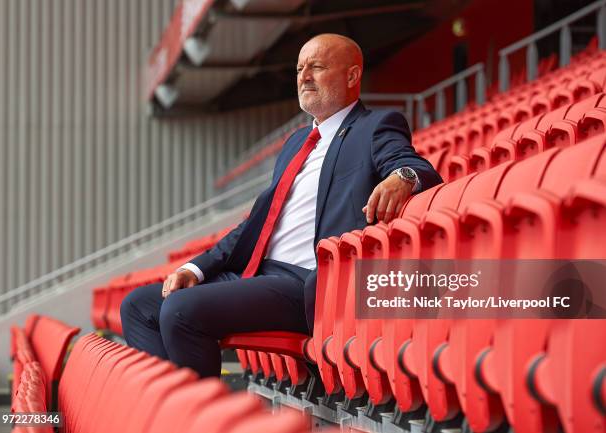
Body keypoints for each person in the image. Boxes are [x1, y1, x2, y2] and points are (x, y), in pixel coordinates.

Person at [121, 33, 443, 378]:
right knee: (139, 306)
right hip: (258, 275)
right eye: (300, 68)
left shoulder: (375, 126)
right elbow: (256, 224)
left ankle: (201, 418)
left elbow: (416, 167)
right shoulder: (295, 143)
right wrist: (196, 268)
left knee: (181, 310)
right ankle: (174, 414)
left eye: (316, 67)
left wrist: (403, 176)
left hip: (306, 282)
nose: (304, 76)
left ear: (351, 76)